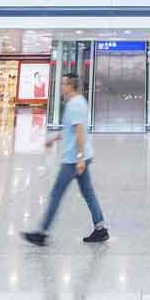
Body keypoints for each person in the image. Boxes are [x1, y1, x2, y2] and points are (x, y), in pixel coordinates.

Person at [23, 73, 107, 246]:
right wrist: (54, 139)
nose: (61, 87)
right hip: (80, 157)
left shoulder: (75, 104)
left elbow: (79, 132)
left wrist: (80, 158)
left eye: (63, 84)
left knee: (56, 194)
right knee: (88, 193)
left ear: (70, 86)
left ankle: (42, 233)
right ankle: (101, 229)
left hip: (73, 160)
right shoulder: (78, 102)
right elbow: (71, 130)